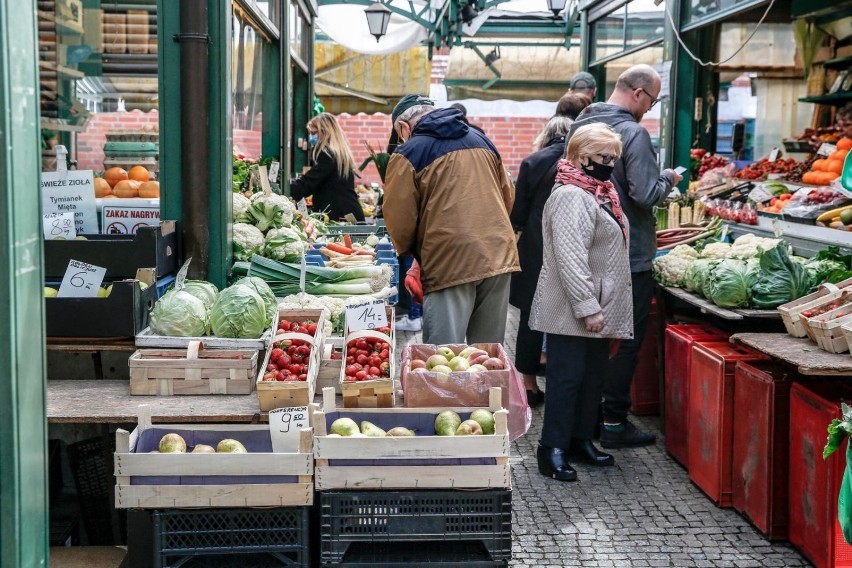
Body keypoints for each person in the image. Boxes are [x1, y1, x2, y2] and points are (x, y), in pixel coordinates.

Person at [567, 63, 683, 449]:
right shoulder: (633, 133)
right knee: (624, 338)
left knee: (590, 338)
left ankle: (586, 421)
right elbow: (645, 194)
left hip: (586, 249)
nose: (649, 109)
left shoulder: (581, 124)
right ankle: (614, 421)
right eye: (651, 101)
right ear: (637, 93)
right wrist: (668, 179)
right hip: (628, 254)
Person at [530, 123, 633, 482]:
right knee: (566, 379)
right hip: (574, 307)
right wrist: (588, 307)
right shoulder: (572, 196)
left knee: (591, 378)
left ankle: (579, 440)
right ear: (582, 156)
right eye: (605, 157)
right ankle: (552, 448)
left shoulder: (598, 191)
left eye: (614, 158)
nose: (611, 165)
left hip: (595, 304)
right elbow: (571, 258)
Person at [382, 94, 519, 345]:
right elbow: (508, 196)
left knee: (444, 359)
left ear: (403, 127)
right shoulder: (482, 140)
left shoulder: (408, 152)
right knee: (488, 356)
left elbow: (399, 220)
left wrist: (413, 253)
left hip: (449, 260)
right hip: (499, 254)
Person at [511, 114, 580, 408]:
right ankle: (563, 383)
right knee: (567, 314)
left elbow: (518, 215)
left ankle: (528, 386)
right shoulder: (580, 161)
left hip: (536, 247)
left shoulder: (533, 162)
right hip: (572, 245)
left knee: (531, 316)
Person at [290, 113, 365, 222]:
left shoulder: (328, 156)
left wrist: (285, 190)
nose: (311, 137)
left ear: (325, 133)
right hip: (347, 213)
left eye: (313, 133)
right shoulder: (338, 154)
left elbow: (309, 182)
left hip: (341, 217)